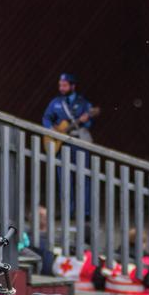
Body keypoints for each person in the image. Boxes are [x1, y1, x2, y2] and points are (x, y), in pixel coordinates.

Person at [42, 73, 96, 215]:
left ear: (73, 86)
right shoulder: (55, 102)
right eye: (60, 85)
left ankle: (85, 211)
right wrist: (52, 130)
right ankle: (68, 210)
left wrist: (86, 120)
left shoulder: (84, 103)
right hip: (62, 143)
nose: (61, 88)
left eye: (64, 85)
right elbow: (46, 118)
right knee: (64, 177)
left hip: (78, 142)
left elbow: (90, 123)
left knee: (83, 176)